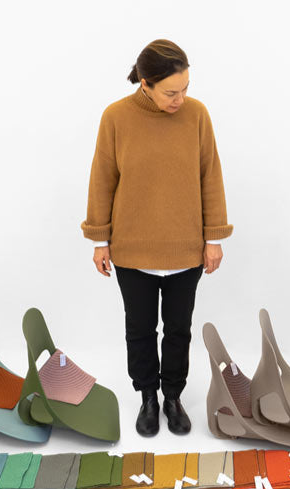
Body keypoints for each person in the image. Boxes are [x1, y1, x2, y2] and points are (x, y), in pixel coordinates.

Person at [80, 39, 233, 437]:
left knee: (179, 329)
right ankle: (148, 396)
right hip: (132, 250)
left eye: (185, 89)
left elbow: (210, 176)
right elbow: (103, 179)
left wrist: (214, 237)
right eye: (170, 92)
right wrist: (100, 240)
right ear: (145, 83)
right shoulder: (116, 117)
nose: (180, 99)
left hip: (187, 249)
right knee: (140, 330)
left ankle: (173, 397)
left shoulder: (197, 115)